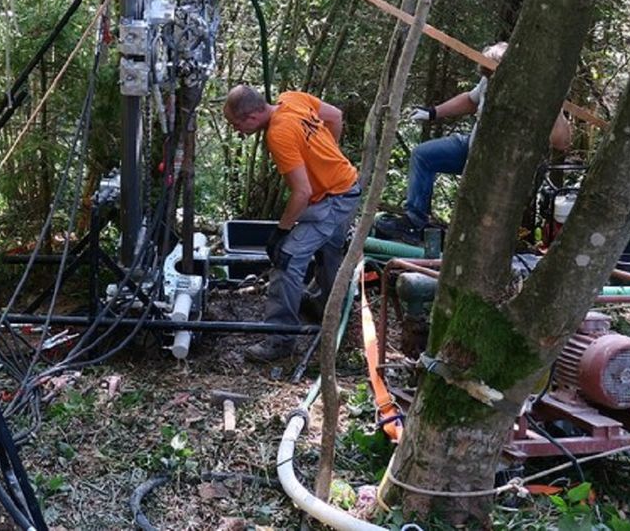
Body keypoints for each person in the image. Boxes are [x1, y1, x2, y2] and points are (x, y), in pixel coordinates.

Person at [377, 42, 572, 243]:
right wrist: (434, 112)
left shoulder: (534, 92)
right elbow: (471, 100)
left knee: (479, 214)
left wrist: (553, 103)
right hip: (474, 144)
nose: (488, 78)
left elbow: (561, 142)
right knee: (424, 155)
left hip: (503, 165)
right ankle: (414, 223)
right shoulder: (490, 78)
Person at [223, 85, 360, 362]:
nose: (238, 131)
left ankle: (280, 339)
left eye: (236, 124)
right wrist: (325, 157)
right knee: (329, 253)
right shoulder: (292, 98)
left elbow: (301, 193)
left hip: (333, 200)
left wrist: (281, 232)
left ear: (251, 118)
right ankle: (328, 311)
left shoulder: (279, 134)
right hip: (348, 186)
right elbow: (335, 116)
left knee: (287, 259)